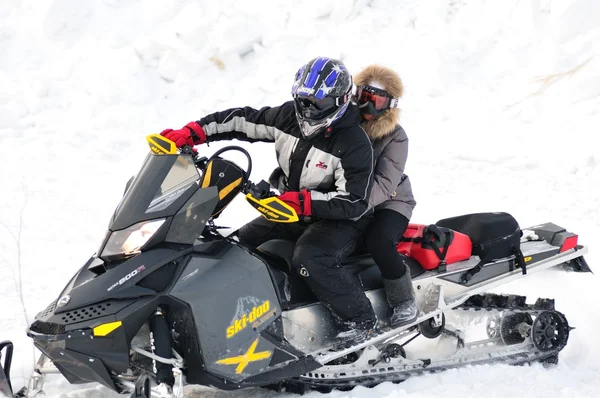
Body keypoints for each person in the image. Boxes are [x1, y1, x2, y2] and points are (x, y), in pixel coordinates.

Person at [160, 56, 378, 343]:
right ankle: (233, 323)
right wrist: (194, 132)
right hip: (291, 210)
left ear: (340, 101)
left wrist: (302, 202)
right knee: (232, 250)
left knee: (309, 259)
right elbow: (243, 120)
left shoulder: (354, 143)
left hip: (341, 220)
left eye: (319, 103)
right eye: (304, 101)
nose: (309, 110)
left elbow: (354, 201)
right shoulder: (288, 117)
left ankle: (361, 322)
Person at [353, 64, 419, 327]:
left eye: (377, 102)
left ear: (389, 105)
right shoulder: (345, 125)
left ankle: (404, 301)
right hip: (352, 199)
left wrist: (349, 206)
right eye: (364, 99)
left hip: (391, 201)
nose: (369, 108)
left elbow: (384, 182)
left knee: (379, 241)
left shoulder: (396, 137)